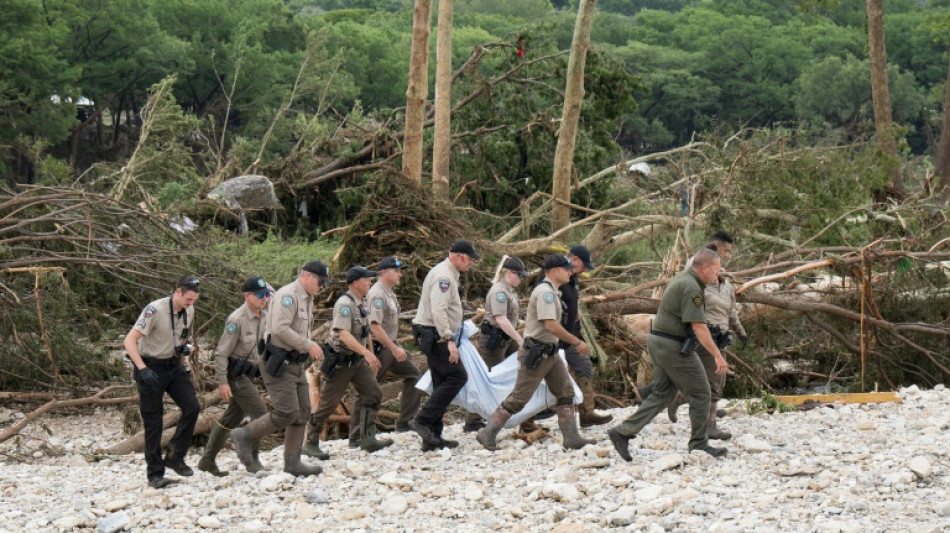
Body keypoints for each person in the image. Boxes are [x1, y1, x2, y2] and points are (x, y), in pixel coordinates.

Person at [607, 248, 729, 461]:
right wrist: (718, 356)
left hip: (660, 341)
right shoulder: (692, 287)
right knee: (702, 393)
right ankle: (699, 444)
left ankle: (622, 432)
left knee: (662, 394)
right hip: (673, 346)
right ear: (705, 267)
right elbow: (699, 327)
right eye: (716, 270)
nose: (717, 275)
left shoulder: (683, 279)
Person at [476, 254, 595, 451]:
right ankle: (487, 433)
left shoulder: (553, 292)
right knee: (519, 399)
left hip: (551, 352)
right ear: (555, 271)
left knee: (566, 393)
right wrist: (576, 341)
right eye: (566, 269)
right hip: (538, 353)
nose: (570, 272)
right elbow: (550, 325)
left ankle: (572, 437)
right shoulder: (545, 293)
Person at [231, 261, 329, 477]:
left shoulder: (307, 298)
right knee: (286, 412)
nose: (322, 286)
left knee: (303, 411)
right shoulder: (288, 295)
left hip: (295, 362)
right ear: (307, 276)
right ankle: (244, 435)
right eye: (320, 281)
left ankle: (293, 462)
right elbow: (279, 328)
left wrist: (308, 347)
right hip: (278, 362)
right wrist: (308, 345)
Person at [303, 266, 393, 459]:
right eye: (366, 279)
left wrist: (369, 353)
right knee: (328, 403)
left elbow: (365, 330)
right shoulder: (345, 304)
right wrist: (367, 354)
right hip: (341, 361)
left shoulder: (363, 301)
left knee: (373, 392)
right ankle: (310, 441)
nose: (370, 282)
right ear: (355, 283)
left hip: (357, 360)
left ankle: (367, 437)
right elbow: (343, 335)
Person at [667, 232, 747, 440]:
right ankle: (708, 425)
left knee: (713, 381)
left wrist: (741, 331)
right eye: (725, 252)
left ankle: (679, 398)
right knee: (714, 380)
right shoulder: (698, 280)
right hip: (702, 335)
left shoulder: (726, 285)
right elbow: (686, 284)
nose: (727, 258)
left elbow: (731, 312)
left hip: (720, 336)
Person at [124, 276, 202, 489]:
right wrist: (142, 369)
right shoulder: (155, 310)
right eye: (187, 299)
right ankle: (155, 474)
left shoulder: (190, 311)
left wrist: (184, 357)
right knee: (153, 422)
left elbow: (183, 338)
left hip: (174, 366)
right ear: (177, 292)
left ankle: (175, 456)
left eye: (193, 300)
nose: (190, 303)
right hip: (150, 366)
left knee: (192, 407)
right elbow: (129, 340)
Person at [197, 276, 272, 476]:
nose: (264, 298)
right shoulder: (236, 319)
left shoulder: (265, 316)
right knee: (261, 415)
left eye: (266, 295)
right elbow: (221, 353)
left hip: (250, 374)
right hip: (235, 375)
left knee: (231, 417)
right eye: (260, 295)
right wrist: (223, 383)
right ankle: (252, 460)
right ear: (247, 296)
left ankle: (207, 460)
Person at [408, 240, 478, 450]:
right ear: (459, 256)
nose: (471, 264)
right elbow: (439, 310)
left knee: (440, 381)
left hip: (432, 333)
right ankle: (422, 420)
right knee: (457, 376)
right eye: (470, 259)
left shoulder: (448, 274)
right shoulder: (444, 276)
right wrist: (448, 340)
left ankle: (432, 437)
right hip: (436, 334)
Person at [345, 256, 421, 447]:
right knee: (366, 390)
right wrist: (394, 348)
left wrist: (395, 346)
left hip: (390, 347)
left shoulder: (388, 293)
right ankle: (356, 436)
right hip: (380, 349)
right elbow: (375, 327)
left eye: (400, 270)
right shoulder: (377, 294)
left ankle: (405, 422)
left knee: (414, 375)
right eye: (396, 271)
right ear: (385, 272)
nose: (400, 274)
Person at [462, 256, 526, 433]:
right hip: (495, 339)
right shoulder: (499, 291)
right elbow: (501, 319)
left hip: (507, 338)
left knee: (521, 366)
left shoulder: (510, 290)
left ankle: (514, 410)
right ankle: (473, 420)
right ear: (509, 273)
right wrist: (519, 339)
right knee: (490, 378)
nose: (521, 279)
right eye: (519, 275)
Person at [561, 245, 613, 427]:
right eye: (584, 266)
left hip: (571, 333)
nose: (584, 271)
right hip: (555, 334)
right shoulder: (556, 275)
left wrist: (579, 329)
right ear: (574, 260)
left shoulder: (573, 278)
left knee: (583, 364)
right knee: (542, 376)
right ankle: (526, 420)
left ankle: (586, 413)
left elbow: (574, 304)